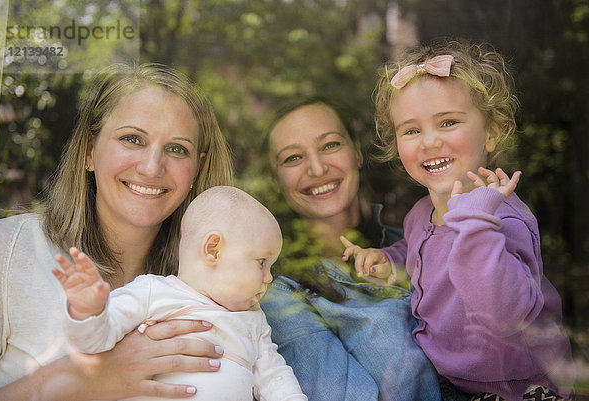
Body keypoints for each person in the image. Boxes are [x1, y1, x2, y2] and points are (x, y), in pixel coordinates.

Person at [341, 39, 575, 401]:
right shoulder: (421, 213)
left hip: (515, 387)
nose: (429, 141)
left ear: (493, 131)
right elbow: (422, 251)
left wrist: (475, 219)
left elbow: (504, 315)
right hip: (450, 380)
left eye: (448, 122)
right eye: (411, 130)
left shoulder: (500, 219)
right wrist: (391, 260)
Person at [0, 63, 234, 400]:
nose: (151, 167)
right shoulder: (3, 252)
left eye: (177, 148)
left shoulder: (215, 285)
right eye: (132, 139)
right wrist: (84, 378)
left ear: (198, 168)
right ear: (90, 151)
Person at [259, 96, 442, 401]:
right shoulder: (283, 296)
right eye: (292, 158)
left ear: (356, 151)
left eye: (330, 145)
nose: (317, 169)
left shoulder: (418, 240)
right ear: (275, 181)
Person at [52, 186, 306, 401]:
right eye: (262, 262)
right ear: (214, 250)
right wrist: (89, 312)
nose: (270, 277)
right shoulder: (154, 293)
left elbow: (275, 379)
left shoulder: (253, 321)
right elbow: (94, 343)